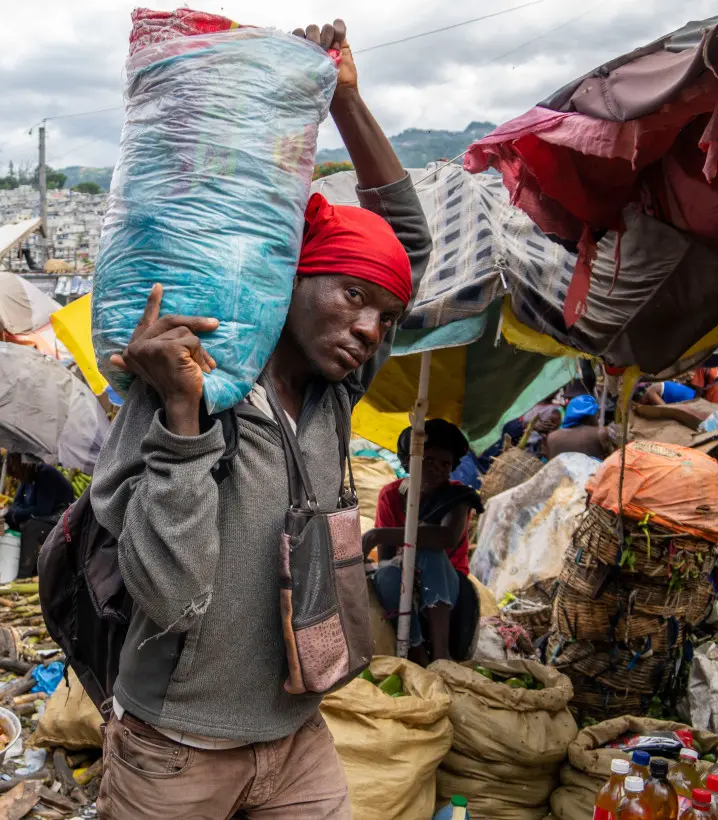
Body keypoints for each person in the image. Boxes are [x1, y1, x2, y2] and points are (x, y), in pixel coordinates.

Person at [89, 20, 431, 819]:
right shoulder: (190, 389)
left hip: (298, 732)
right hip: (177, 750)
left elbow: (404, 244)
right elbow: (168, 595)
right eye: (353, 297)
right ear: (290, 280)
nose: (370, 330)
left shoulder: (335, 389)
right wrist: (180, 418)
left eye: (385, 316)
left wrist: (346, 96)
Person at [363, 420, 481, 665]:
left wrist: (378, 535)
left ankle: (441, 655)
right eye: (428, 461)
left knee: (428, 552)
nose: (436, 469)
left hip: (449, 588)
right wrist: (394, 561)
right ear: (408, 461)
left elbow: (445, 537)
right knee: (385, 573)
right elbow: (385, 559)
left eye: (445, 464)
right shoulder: (391, 495)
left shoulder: (458, 497)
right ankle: (416, 651)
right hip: (403, 580)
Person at [5, 453, 75, 577]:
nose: (18, 480)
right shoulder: (27, 478)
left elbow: (42, 510)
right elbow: (16, 503)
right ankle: (10, 564)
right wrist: (15, 513)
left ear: (25, 466)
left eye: (18, 475)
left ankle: (24, 573)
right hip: (43, 518)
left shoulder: (46, 475)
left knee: (31, 527)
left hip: (62, 523)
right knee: (8, 517)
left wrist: (19, 513)